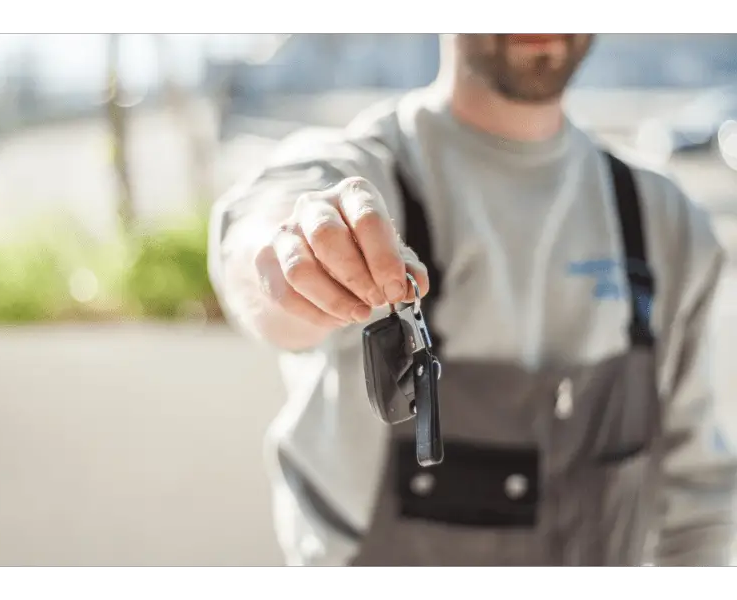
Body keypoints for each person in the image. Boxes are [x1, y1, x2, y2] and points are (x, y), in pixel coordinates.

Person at [207, 33, 737, 567]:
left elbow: (697, 499)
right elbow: (262, 244)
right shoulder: (367, 170)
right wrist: (297, 261)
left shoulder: (664, 222)